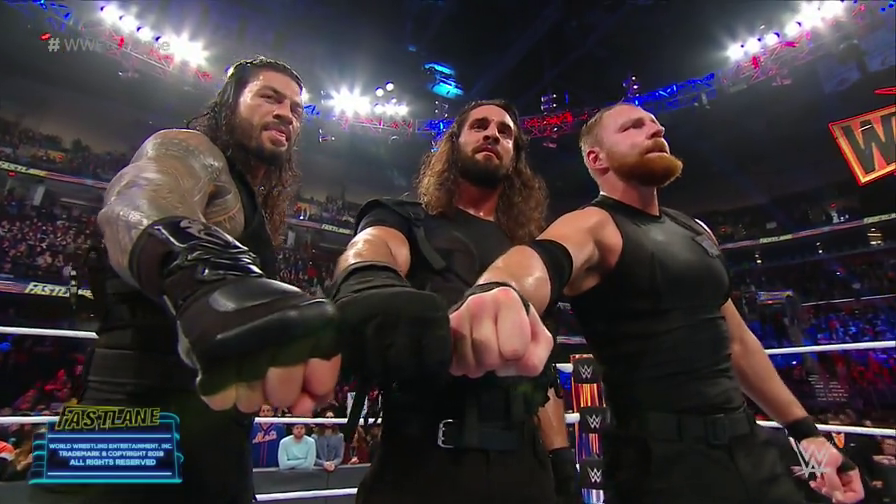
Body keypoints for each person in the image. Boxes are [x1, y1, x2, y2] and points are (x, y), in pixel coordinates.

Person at [447, 103, 865, 504]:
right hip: (660, 462)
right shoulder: (593, 225)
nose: (656, 129)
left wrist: (807, 434)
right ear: (596, 158)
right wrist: (500, 289)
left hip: (747, 443)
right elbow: (537, 261)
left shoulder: (694, 230)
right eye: (633, 127)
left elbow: (737, 342)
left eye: (654, 124)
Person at [29, 57, 340, 504]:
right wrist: (203, 274)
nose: (285, 114)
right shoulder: (188, 149)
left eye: (295, 108)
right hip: (128, 414)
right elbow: (143, 196)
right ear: (230, 104)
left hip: (216, 431)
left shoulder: (250, 202)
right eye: (269, 98)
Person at [328, 100, 579, 504]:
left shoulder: (529, 255)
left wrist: (561, 458)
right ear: (453, 142)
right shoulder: (407, 219)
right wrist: (365, 276)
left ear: (515, 157)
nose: (492, 134)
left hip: (523, 470)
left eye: (505, 132)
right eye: (480, 126)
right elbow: (373, 245)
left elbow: (542, 376)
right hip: (421, 463)